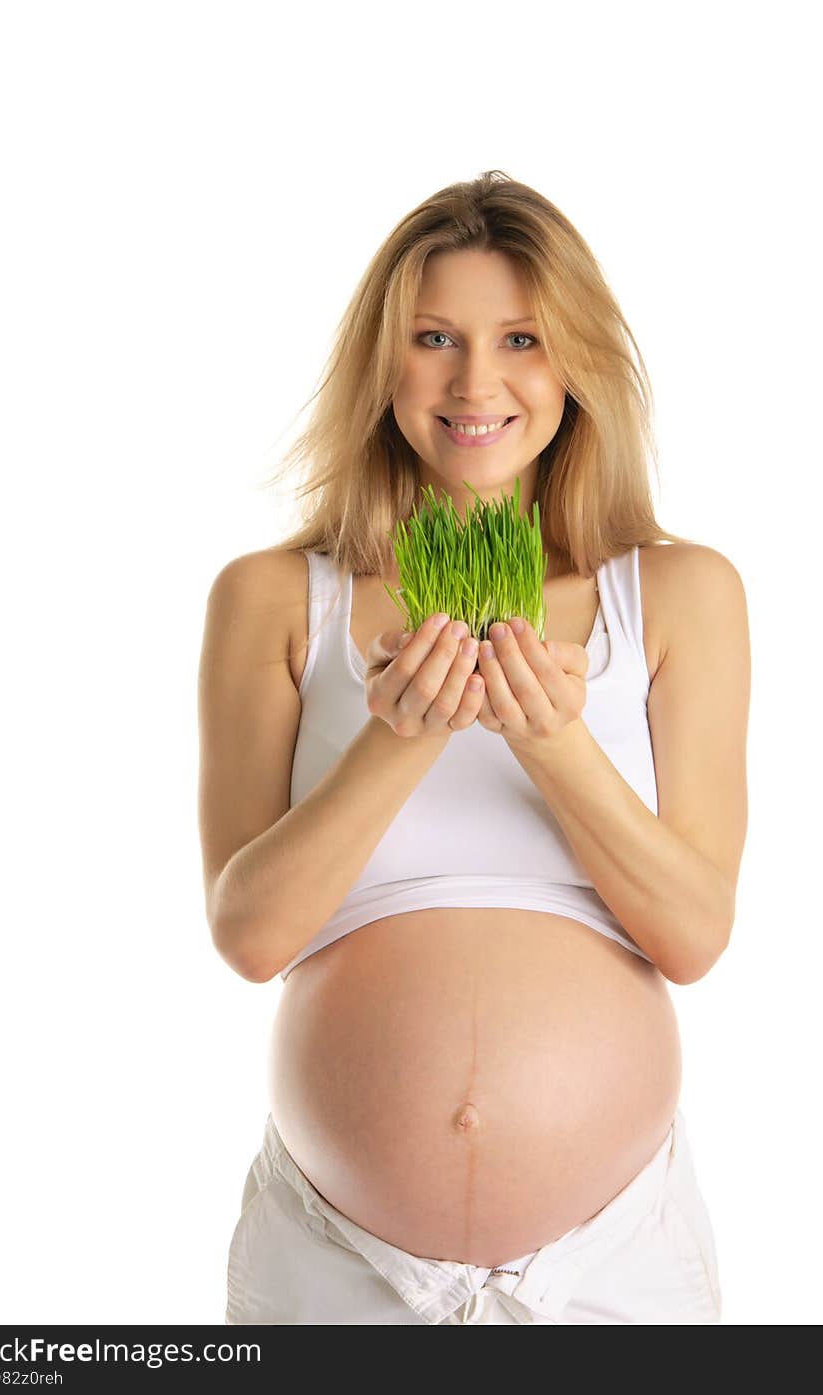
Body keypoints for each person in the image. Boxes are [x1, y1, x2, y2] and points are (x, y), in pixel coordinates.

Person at [197, 170, 750, 1324]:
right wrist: (400, 739)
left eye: (522, 339)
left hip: (614, 1265)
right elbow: (249, 936)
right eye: (434, 337)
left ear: (578, 365)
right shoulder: (271, 599)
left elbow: (694, 936)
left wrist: (554, 745)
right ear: (381, 364)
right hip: (333, 1264)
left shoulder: (681, 594)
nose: (476, 382)